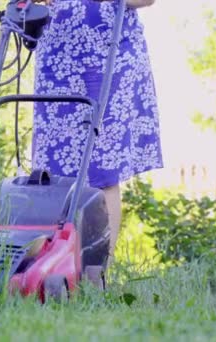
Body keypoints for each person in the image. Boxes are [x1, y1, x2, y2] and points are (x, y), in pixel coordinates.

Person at [31, 0, 163, 263]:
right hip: (57, 57)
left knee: (103, 170)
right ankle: (52, 263)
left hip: (109, 59)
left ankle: (97, 273)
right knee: (51, 168)